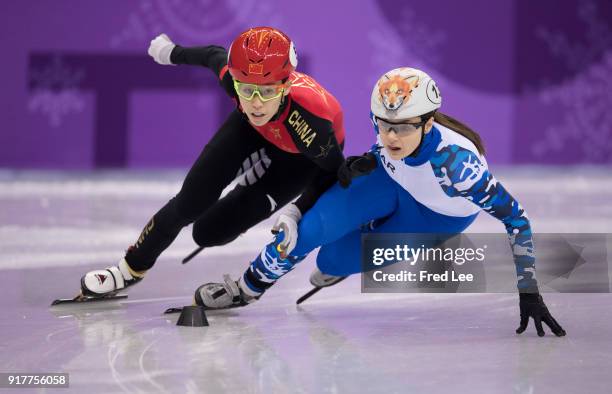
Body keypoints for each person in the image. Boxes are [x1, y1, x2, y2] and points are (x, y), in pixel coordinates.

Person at [197, 67, 566, 337]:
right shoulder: (389, 137)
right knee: (308, 231)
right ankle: (247, 288)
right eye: (383, 124)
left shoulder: (458, 166)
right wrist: (301, 207)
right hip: (390, 181)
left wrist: (529, 292)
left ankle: (342, 258)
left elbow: (517, 219)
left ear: (427, 123)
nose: (391, 135)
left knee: (331, 259)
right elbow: (376, 154)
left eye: (404, 126)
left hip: (435, 219)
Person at [79, 27, 346, 298]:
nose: (255, 103)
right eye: (246, 90)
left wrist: (299, 213)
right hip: (251, 131)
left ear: (286, 86)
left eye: (266, 92)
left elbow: (335, 178)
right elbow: (212, 55)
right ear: (235, 81)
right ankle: (128, 270)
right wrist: (171, 53)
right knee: (189, 202)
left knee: (210, 232)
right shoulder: (237, 86)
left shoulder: (310, 125)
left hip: (300, 159)